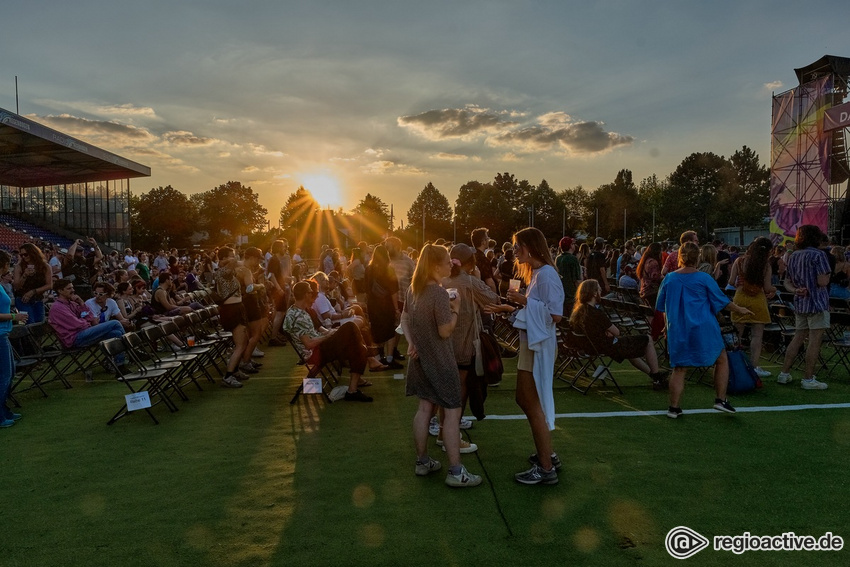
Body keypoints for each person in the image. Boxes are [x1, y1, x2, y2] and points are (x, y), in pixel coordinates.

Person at [401, 243, 481, 487]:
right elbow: (445, 331)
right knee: (451, 413)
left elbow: (404, 319)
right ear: (435, 265)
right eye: (447, 260)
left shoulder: (413, 289)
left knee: (424, 409)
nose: (451, 263)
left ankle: (422, 461)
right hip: (440, 360)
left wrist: (411, 342)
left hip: (419, 358)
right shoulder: (437, 292)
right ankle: (456, 471)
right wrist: (455, 310)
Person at [656, 241, 754, 419]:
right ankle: (720, 399)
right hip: (703, 327)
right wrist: (740, 309)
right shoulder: (704, 278)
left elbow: (662, 307)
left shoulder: (669, 279)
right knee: (721, 359)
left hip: (678, 328)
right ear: (698, 258)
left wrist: (666, 325)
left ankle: (674, 407)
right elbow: (722, 301)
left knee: (679, 369)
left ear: (680, 257)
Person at [507, 227, 564, 485]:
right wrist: (518, 303)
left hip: (538, 346)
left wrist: (524, 301)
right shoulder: (540, 273)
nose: (515, 251)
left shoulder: (547, 275)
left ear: (530, 247)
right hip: (532, 343)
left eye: (518, 247)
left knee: (532, 403)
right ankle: (546, 454)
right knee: (527, 400)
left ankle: (546, 465)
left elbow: (555, 315)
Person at [284, 281, 374, 402]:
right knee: (351, 328)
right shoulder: (299, 316)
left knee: (355, 343)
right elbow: (309, 344)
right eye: (311, 292)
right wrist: (329, 335)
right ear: (306, 294)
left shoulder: (298, 311)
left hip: (320, 346)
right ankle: (367, 362)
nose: (313, 295)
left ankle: (353, 388)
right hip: (316, 352)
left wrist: (331, 333)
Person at [570, 279, 668, 389]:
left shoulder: (578, 311)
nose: (601, 290)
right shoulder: (596, 313)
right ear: (593, 293)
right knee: (648, 339)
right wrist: (608, 332)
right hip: (607, 347)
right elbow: (616, 332)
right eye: (598, 288)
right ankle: (656, 375)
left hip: (590, 346)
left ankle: (654, 376)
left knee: (630, 350)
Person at [776, 225, 831, 389]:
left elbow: (786, 281)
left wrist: (796, 290)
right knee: (814, 342)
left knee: (797, 338)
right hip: (817, 302)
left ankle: (784, 373)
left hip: (800, 302)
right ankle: (808, 378)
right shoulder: (819, 255)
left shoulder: (793, 256)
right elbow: (822, 281)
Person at [728, 237, 776, 378]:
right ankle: (755, 366)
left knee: (736, 334)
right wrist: (774, 289)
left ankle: (731, 365)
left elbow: (731, 281)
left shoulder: (740, 261)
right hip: (758, 299)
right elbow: (767, 287)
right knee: (757, 335)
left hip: (740, 297)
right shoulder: (766, 265)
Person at [48, 278, 126, 360]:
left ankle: (120, 365)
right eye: (69, 288)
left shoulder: (72, 303)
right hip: (74, 339)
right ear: (60, 291)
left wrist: (81, 303)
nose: (73, 290)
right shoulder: (58, 308)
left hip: (83, 334)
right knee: (115, 323)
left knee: (115, 333)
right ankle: (131, 350)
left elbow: (88, 316)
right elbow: (77, 324)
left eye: (72, 287)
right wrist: (88, 322)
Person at [213, 247, 251, 388]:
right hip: (231, 310)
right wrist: (232, 260)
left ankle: (234, 370)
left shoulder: (229, 270)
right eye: (231, 256)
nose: (234, 258)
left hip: (237, 307)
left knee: (243, 341)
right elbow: (235, 263)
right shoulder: (222, 272)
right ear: (222, 259)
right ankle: (228, 376)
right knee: (240, 345)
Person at [0, 250, 28, 428]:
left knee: (9, 374)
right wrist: (13, 317)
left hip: (4, 333)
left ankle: (3, 409)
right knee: (4, 374)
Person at [365, 244, 401, 369]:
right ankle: (390, 358)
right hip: (386, 304)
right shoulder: (388, 269)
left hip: (373, 304)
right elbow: (393, 291)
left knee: (376, 330)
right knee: (390, 331)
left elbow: (366, 289)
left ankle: (379, 357)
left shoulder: (368, 269)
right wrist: (396, 309)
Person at [12, 243, 53, 323]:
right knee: (29, 323)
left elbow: (50, 285)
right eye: (21, 255)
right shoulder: (19, 266)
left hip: (38, 299)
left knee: (39, 323)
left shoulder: (45, 266)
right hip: (22, 299)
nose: (23, 257)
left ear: (33, 253)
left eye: (26, 254)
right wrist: (24, 275)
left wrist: (33, 291)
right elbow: (16, 286)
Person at [266, 239, 292, 346]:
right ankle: (273, 337)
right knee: (280, 313)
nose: (285, 249)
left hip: (279, 288)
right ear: (278, 248)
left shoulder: (276, 259)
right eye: (282, 247)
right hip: (277, 290)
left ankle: (274, 334)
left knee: (278, 312)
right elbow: (271, 275)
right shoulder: (274, 260)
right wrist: (279, 289)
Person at [555, 237, 581, 315]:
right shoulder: (573, 259)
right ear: (570, 246)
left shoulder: (558, 258)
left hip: (561, 293)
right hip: (571, 294)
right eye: (572, 244)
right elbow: (577, 279)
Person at [636, 242, 663, 308]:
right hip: (652, 291)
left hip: (644, 289)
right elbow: (655, 277)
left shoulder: (645, 260)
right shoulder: (653, 262)